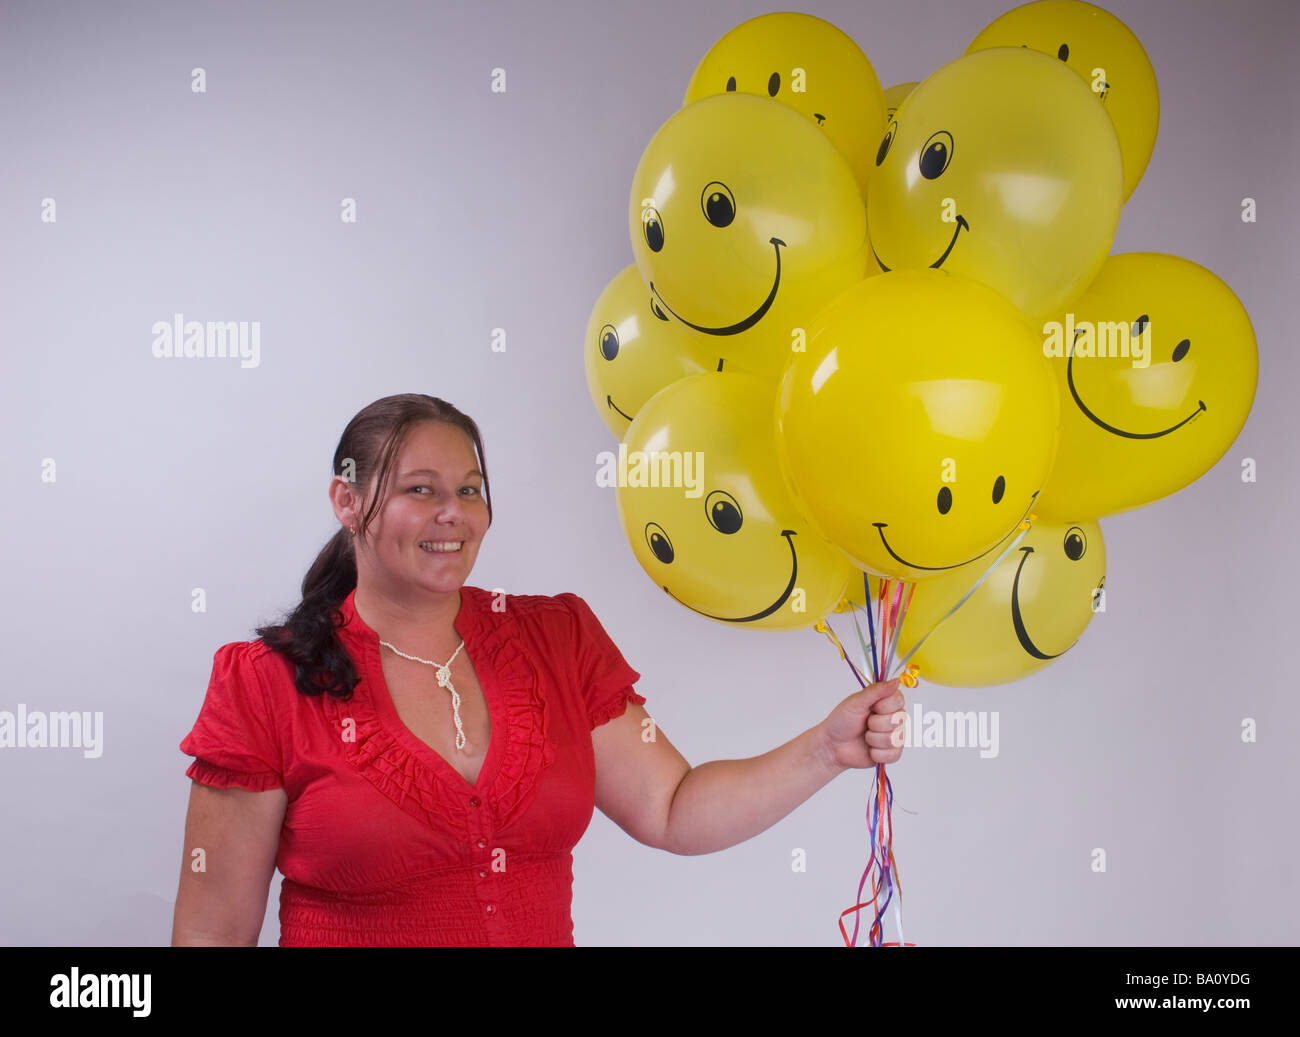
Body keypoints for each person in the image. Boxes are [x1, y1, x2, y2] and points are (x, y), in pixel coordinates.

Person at [171, 393, 906, 946]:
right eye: (419, 488)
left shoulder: (555, 638)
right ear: (348, 500)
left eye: (468, 488)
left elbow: (674, 807)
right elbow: (211, 936)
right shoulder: (265, 683)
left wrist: (826, 748)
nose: (451, 512)